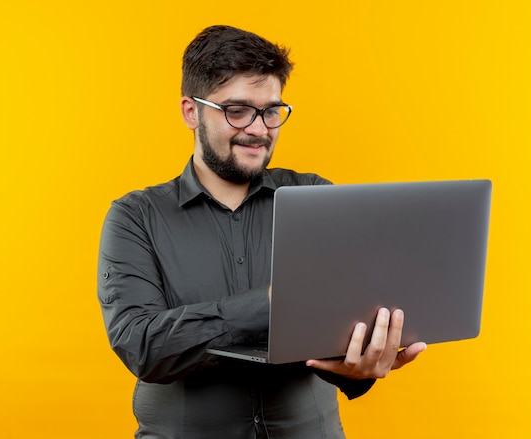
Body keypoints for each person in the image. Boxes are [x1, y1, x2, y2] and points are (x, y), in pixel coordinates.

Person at [97, 24, 427, 439]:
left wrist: (360, 368)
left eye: (271, 111)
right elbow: (143, 346)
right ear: (190, 111)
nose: (259, 128)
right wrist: (270, 304)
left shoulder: (318, 199)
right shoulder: (135, 218)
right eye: (237, 110)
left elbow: (342, 324)